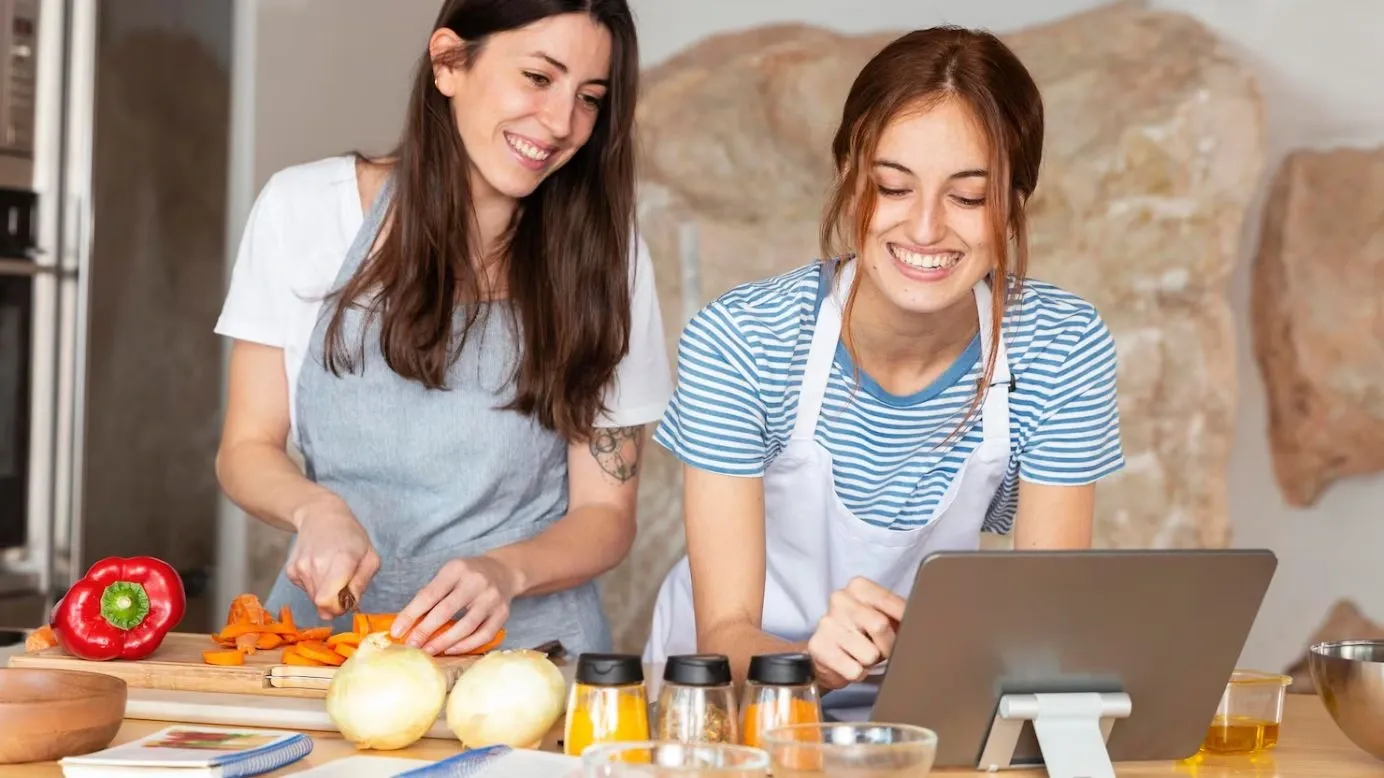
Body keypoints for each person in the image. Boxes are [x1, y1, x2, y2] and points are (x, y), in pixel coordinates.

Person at [644, 26, 1125, 702]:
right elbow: (723, 631)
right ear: (848, 177)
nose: (925, 230)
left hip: (923, 702)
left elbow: (1041, 620)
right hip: (731, 703)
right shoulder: (743, 340)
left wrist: (934, 644)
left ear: (1014, 208)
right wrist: (811, 664)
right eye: (893, 187)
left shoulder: (1059, 345)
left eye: (967, 197)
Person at [214, 0, 670, 659]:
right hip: (328, 651)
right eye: (539, 78)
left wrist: (506, 571)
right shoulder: (305, 210)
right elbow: (246, 447)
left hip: (529, 660)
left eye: (590, 97)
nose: (562, 123)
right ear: (449, 61)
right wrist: (315, 511)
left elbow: (605, 517)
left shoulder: (608, 257)